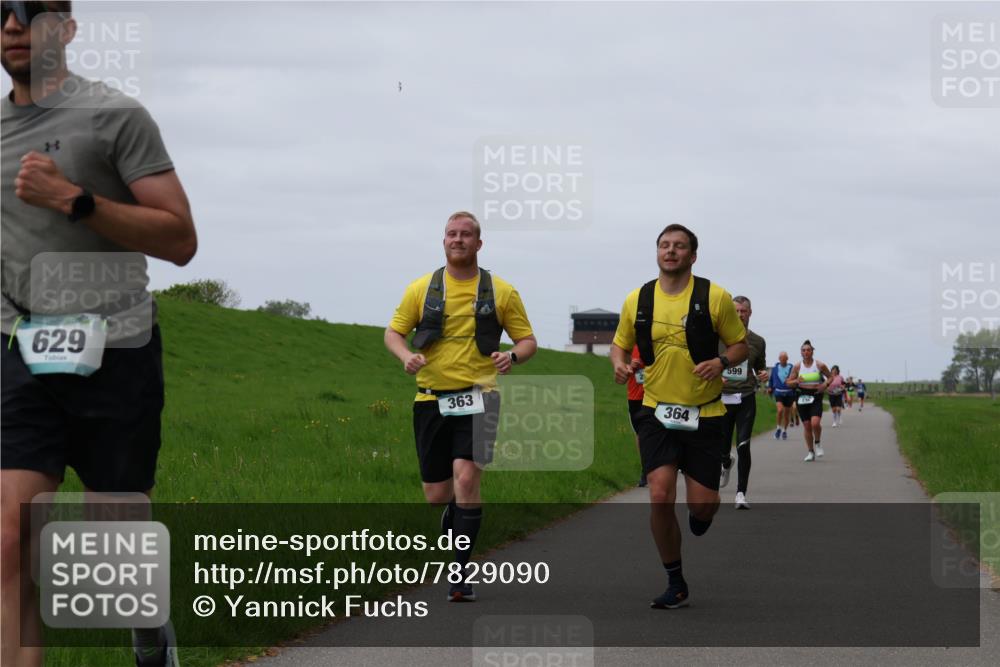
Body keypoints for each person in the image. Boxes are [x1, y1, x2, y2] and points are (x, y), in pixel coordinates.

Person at [2, 3, 197, 666]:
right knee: (9, 537)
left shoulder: (115, 116)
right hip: (21, 347)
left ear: (66, 28)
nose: (11, 24)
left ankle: (151, 638)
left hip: (115, 346)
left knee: (116, 544)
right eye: (0, 12)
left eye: (28, 10)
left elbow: (180, 239)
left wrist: (75, 200)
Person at [385, 211, 537, 602]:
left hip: (480, 397)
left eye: (466, 234)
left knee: (467, 479)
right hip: (430, 399)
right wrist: (405, 356)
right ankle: (451, 511)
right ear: (443, 241)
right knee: (438, 494)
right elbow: (394, 332)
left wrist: (512, 358)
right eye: (451, 234)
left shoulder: (502, 292)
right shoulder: (421, 288)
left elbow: (527, 341)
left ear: (478, 243)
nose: (458, 240)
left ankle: (461, 571)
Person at [610, 224, 747, 609]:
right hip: (656, 410)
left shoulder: (713, 296)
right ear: (656, 253)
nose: (671, 251)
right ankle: (675, 581)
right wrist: (620, 365)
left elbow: (739, 346)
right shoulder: (637, 299)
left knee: (702, 507)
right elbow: (619, 346)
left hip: (706, 412)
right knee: (659, 495)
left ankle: (706, 505)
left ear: (692, 255)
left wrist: (720, 361)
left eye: (679, 246)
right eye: (664, 245)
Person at [718, 296, 768, 509]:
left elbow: (760, 367)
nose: (739, 315)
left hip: (746, 397)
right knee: (721, 447)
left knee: (743, 445)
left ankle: (740, 493)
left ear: (750, 313)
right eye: (736, 311)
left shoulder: (758, 341)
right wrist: (716, 376)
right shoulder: (718, 339)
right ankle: (725, 462)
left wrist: (763, 374)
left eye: (743, 311)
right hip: (721, 398)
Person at [786, 340, 832, 462]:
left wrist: (825, 385)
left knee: (815, 423)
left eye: (808, 350)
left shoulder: (819, 365)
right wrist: (796, 381)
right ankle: (810, 452)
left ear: (812, 351)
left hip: (816, 395)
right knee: (807, 426)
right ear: (801, 352)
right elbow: (788, 382)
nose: (806, 352)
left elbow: (831, 377)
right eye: (803, 350)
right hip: (802, 396)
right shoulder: (797, 366)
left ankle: (817, 443)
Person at [627, 344, 647, 487]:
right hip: (635, 396)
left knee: (653, 432)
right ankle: (645, 469)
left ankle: (654, 468)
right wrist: (629, 365)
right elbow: (618, 363)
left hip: (655, 395)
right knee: (640, 434)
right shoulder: (629, 343)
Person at [767, 351, 795, 440]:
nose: (783, 360)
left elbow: (795, 379)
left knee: (786, 415)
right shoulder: (775, 368)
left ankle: (784, 431)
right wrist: (770, 387)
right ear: (779, 359)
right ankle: (778, 428)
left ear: (787, 359)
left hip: (789, 393)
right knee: (780, 410)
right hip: (778, 392)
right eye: (781, 358)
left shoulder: (791, 368)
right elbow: (771, 380)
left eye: (784, 358)